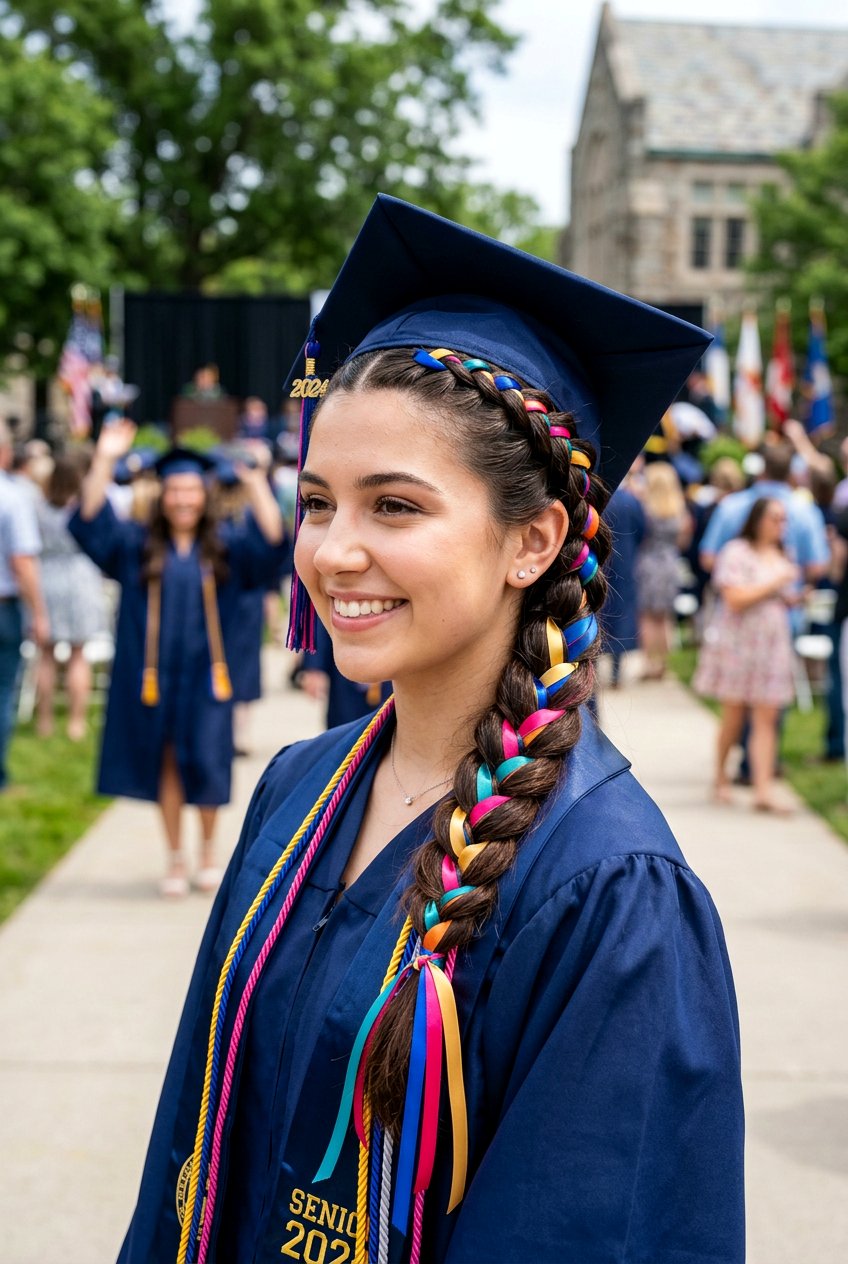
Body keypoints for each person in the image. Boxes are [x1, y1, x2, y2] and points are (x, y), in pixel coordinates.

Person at [117, 197, 744, 1263]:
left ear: (531, 540)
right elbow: (187, 1150)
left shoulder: (607, 889)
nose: (332, 551)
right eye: (317, 502)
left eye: (393, 506)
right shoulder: (296, 787)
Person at [70, 420, 289, 897]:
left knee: (209, 763)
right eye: (175, 491)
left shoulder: (225, 547)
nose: (184, 500)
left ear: (205, 495)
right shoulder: (136, 546)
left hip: (208, 679)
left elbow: (274, 544)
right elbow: (89, 523)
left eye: (192, 491)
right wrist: (105, 458)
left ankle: (208, 852)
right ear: (162, 496)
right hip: (155, 677)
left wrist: (255, 482)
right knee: (166, 761)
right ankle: (174, 857)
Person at [694, 498, 799, 811]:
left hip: (772, 644)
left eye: (784, 519)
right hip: (740, 644)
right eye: (775, 518)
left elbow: (780, 595)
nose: (781, 525)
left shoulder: (783, 554)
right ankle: (721, 776)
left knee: (767, 716)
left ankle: (762, 789)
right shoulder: (736, 552)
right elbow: (735, 598)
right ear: (758, 520)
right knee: (735, 714)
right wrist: (775, 584)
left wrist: (790, 596)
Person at [34, 454, 109, 740]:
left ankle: (45, 720)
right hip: (80, 576)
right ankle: (76, 722)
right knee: (79, 653)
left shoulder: (39, 508)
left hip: (48, 576)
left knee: (47, 654)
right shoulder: (82, 509)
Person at [0, 419, 48, 789]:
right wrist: (39, 612)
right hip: (5, 605)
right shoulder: (12, 496)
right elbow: (23, 561)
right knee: (3, 691)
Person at [635, 459, 691, 679]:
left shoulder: (646, 509)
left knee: (648, 616)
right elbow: (683, 542)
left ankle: (649, 663)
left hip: (648, 562)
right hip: (670, 563)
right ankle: (664, 663)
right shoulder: (680, 510)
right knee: (664, 616)